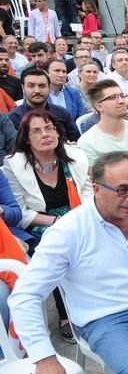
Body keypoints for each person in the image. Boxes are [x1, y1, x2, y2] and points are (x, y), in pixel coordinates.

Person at [9, 152, 128, 374]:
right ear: (96, 189)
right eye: (122, 190)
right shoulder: (68, 232)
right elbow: (24, 295)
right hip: (106, 314)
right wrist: (44, 357)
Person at [3, 109, 93, 342]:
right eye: (37, 130)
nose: (45, 134)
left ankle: (95, 301)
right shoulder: (15, 165)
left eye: (50, 128)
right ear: (26, 137)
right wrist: (57, 222)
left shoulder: (76, 156)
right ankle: (66, 314)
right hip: (40, 222)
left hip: (78, 215)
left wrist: (78, 219)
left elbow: (88, 193)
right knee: (55, 246)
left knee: (92, 238)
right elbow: (21, 212)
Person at [9, 67, 80, 141]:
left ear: (49, 87)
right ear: (23, 88)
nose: (37, 91)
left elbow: (76, 139)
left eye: (42, 86)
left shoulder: (61, 112)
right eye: (31, 86)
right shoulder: (15, 117)